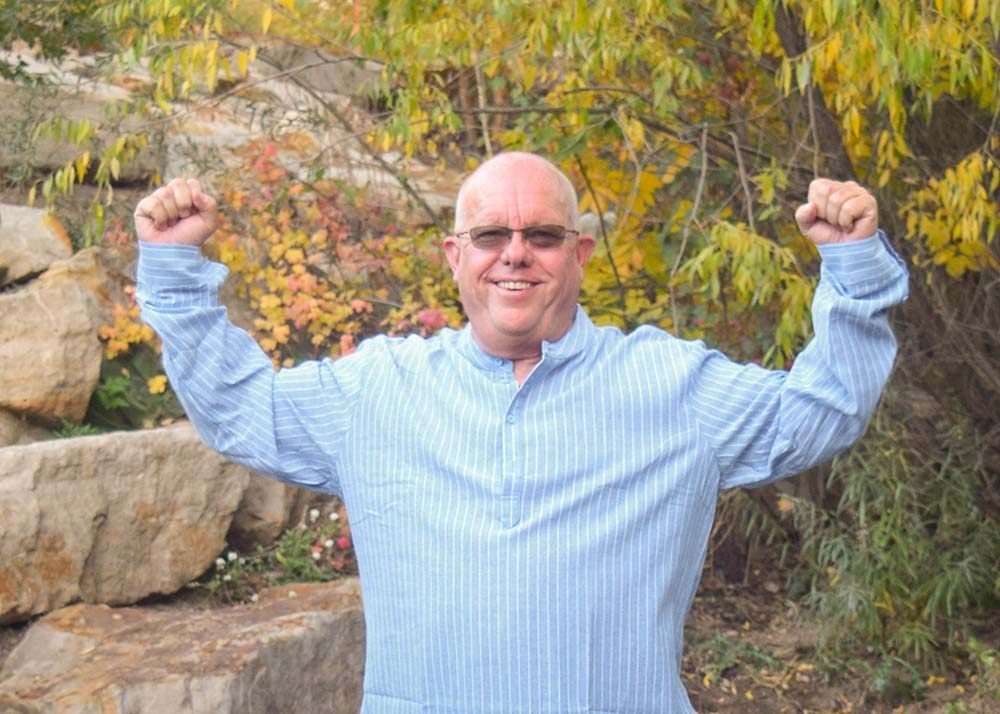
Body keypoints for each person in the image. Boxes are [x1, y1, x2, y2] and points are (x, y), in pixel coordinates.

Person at [134, 151, 907, 713]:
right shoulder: (376, 393)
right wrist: (173, 269)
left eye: (541, 235)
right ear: (454, 257)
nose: (514, 253)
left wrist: (853, 270)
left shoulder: (673, 388)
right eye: (490, 235)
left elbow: (821, 413)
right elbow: (241, 411)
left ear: (579, 255)